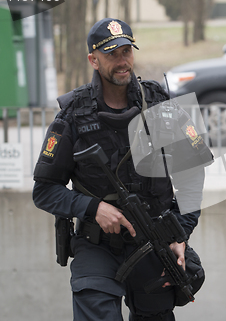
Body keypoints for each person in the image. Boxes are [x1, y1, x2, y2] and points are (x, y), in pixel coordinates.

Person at [33, 18, 209, 321]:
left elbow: (193, 174)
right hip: (97, 245)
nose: (122, 61)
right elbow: (45, 191)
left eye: (126, 51)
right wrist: (92, 207)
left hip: (153, 241)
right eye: (112, 54)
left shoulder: (161, 105)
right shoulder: (72, 115)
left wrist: (180, 235)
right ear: (93, 59)